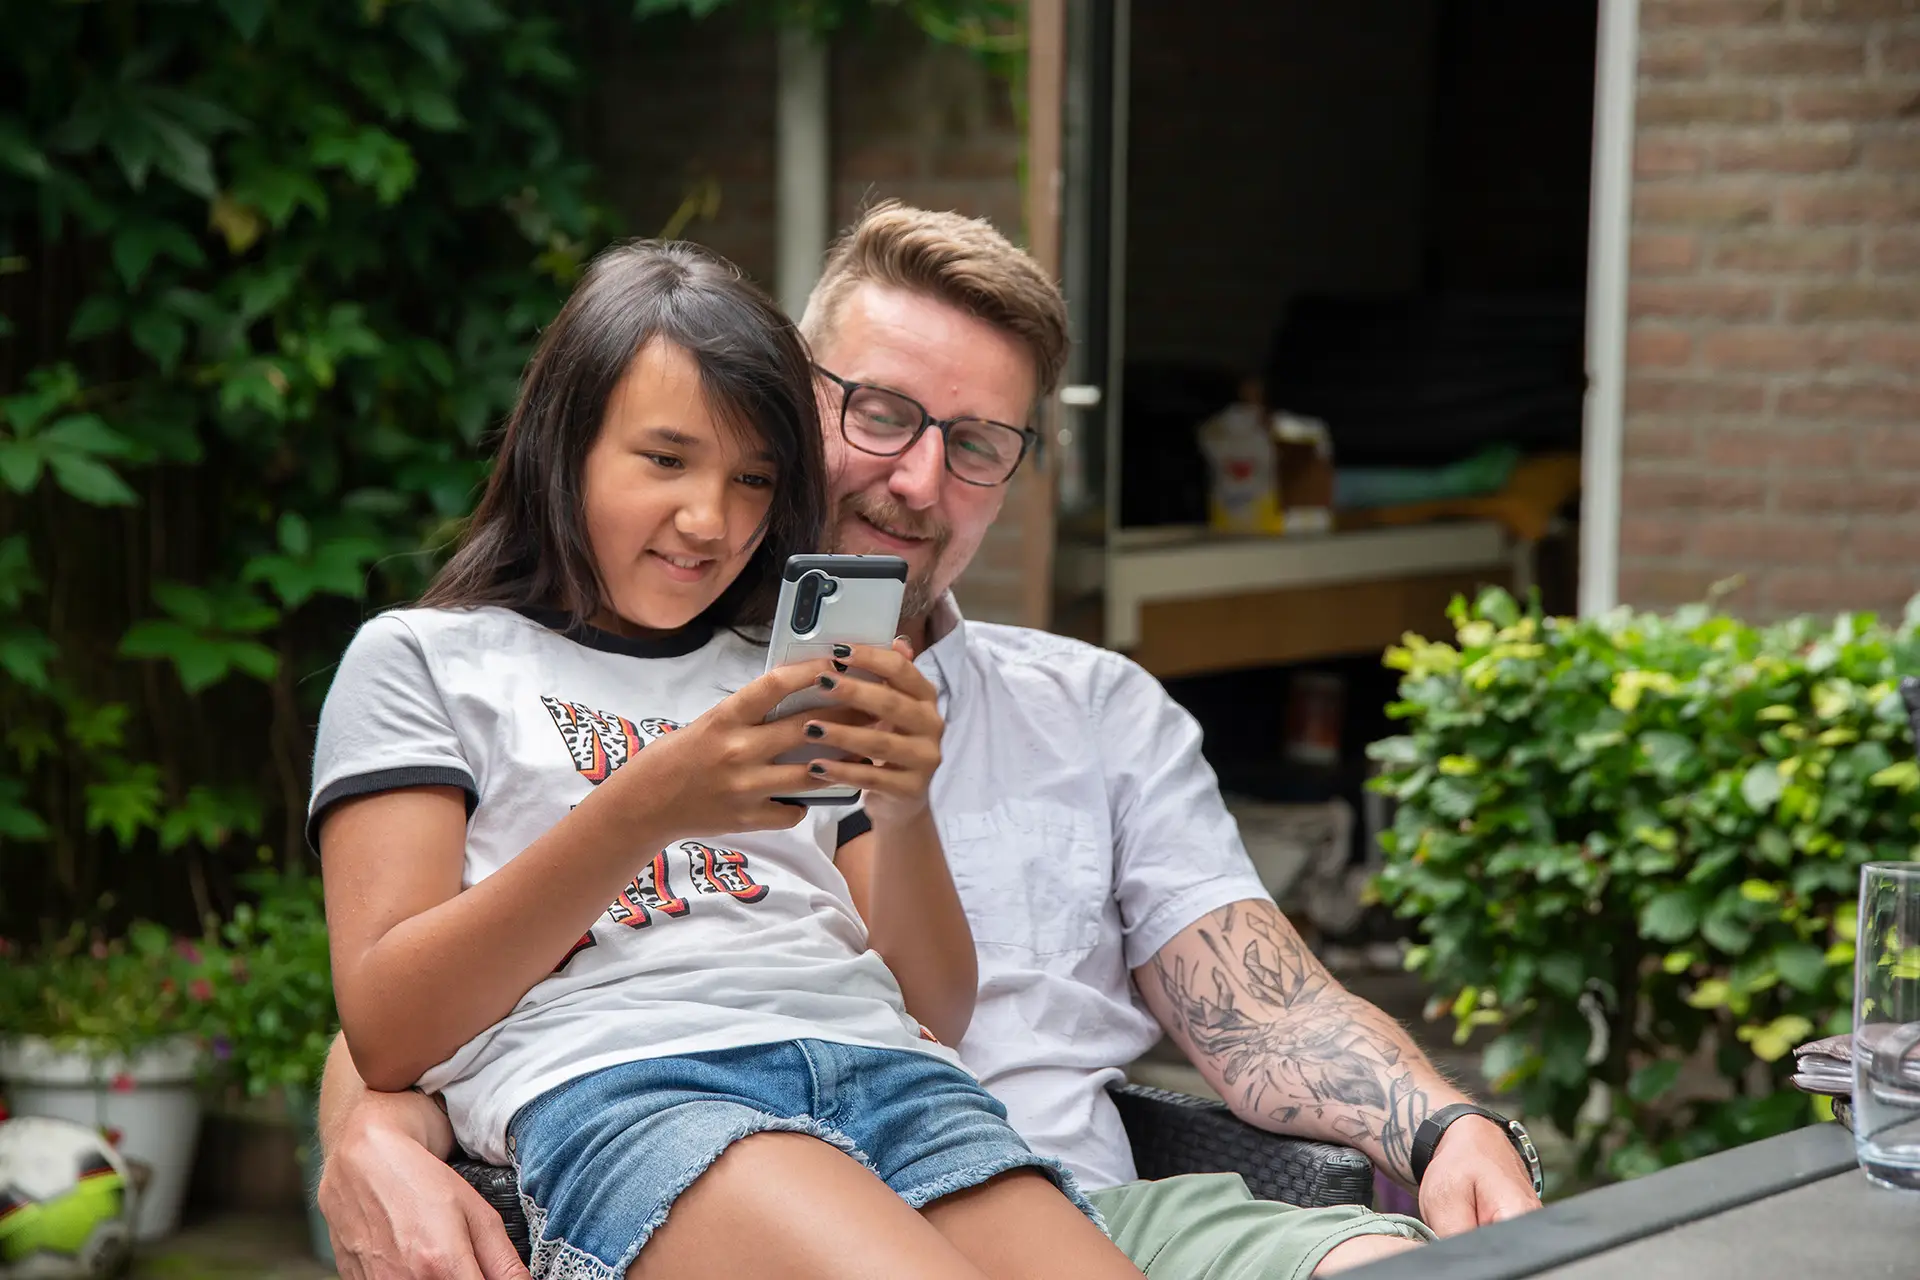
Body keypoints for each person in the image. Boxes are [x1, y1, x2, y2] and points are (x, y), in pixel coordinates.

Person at [316, 205, 1543, 1280]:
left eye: (976, 442)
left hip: (961, 1117)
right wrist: (368, 1120)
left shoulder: (1059, 702)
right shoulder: (462, 661)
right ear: (799, 400)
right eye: (884, 413)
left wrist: (1442, 1123)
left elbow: (1197, 1003)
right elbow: (407, 1001)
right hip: (684, 1114)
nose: (917, 478)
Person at [309, 238, 1146, 1280]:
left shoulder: (784, 671)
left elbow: (933, 1009)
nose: (711, 520)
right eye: (666, 459)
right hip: (640, 1083)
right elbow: (389, 1031)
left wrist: (905, 804)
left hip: (894, 1075)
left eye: (753, 478)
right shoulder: (427, 662)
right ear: (564, 444)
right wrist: (645, 806)